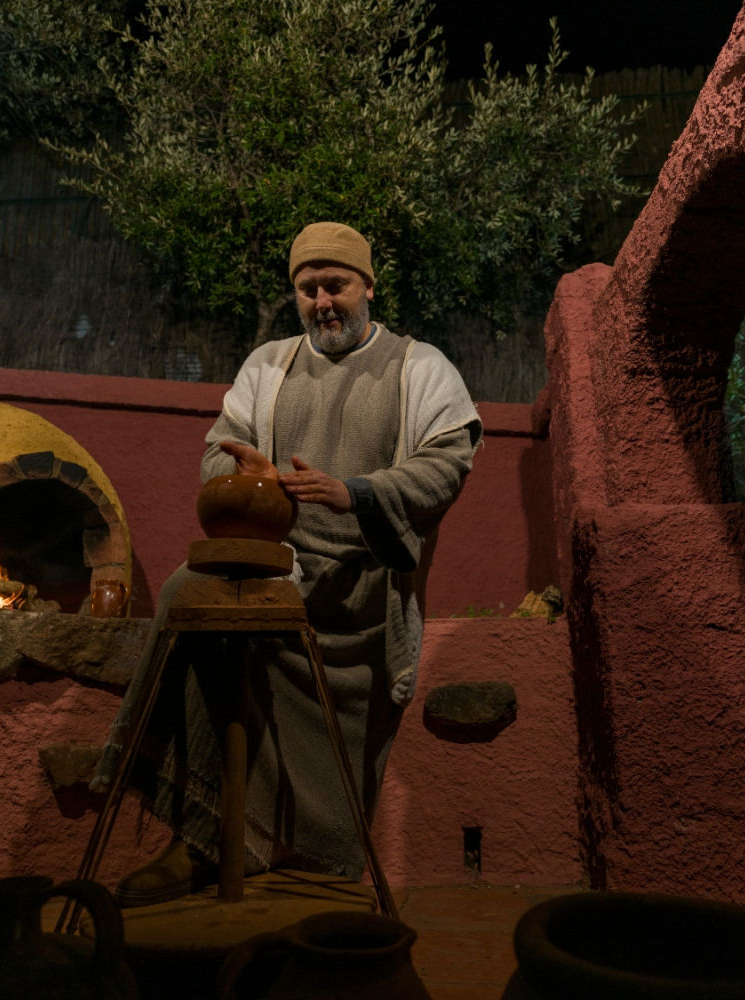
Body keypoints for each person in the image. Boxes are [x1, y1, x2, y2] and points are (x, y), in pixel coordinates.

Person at [112, 221, 482, 905]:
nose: (322, 301)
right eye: (307, 289)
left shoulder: (418, 366)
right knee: (185, 595)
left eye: (334, 284)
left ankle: (280, 865)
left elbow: (445, 465)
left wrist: (356, 492)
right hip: (273, 571)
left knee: (330, 769)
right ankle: (197, 840)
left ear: (368, 286)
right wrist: (248, 474)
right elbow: (217, 453)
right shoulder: (268, 366)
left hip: (362, 598)